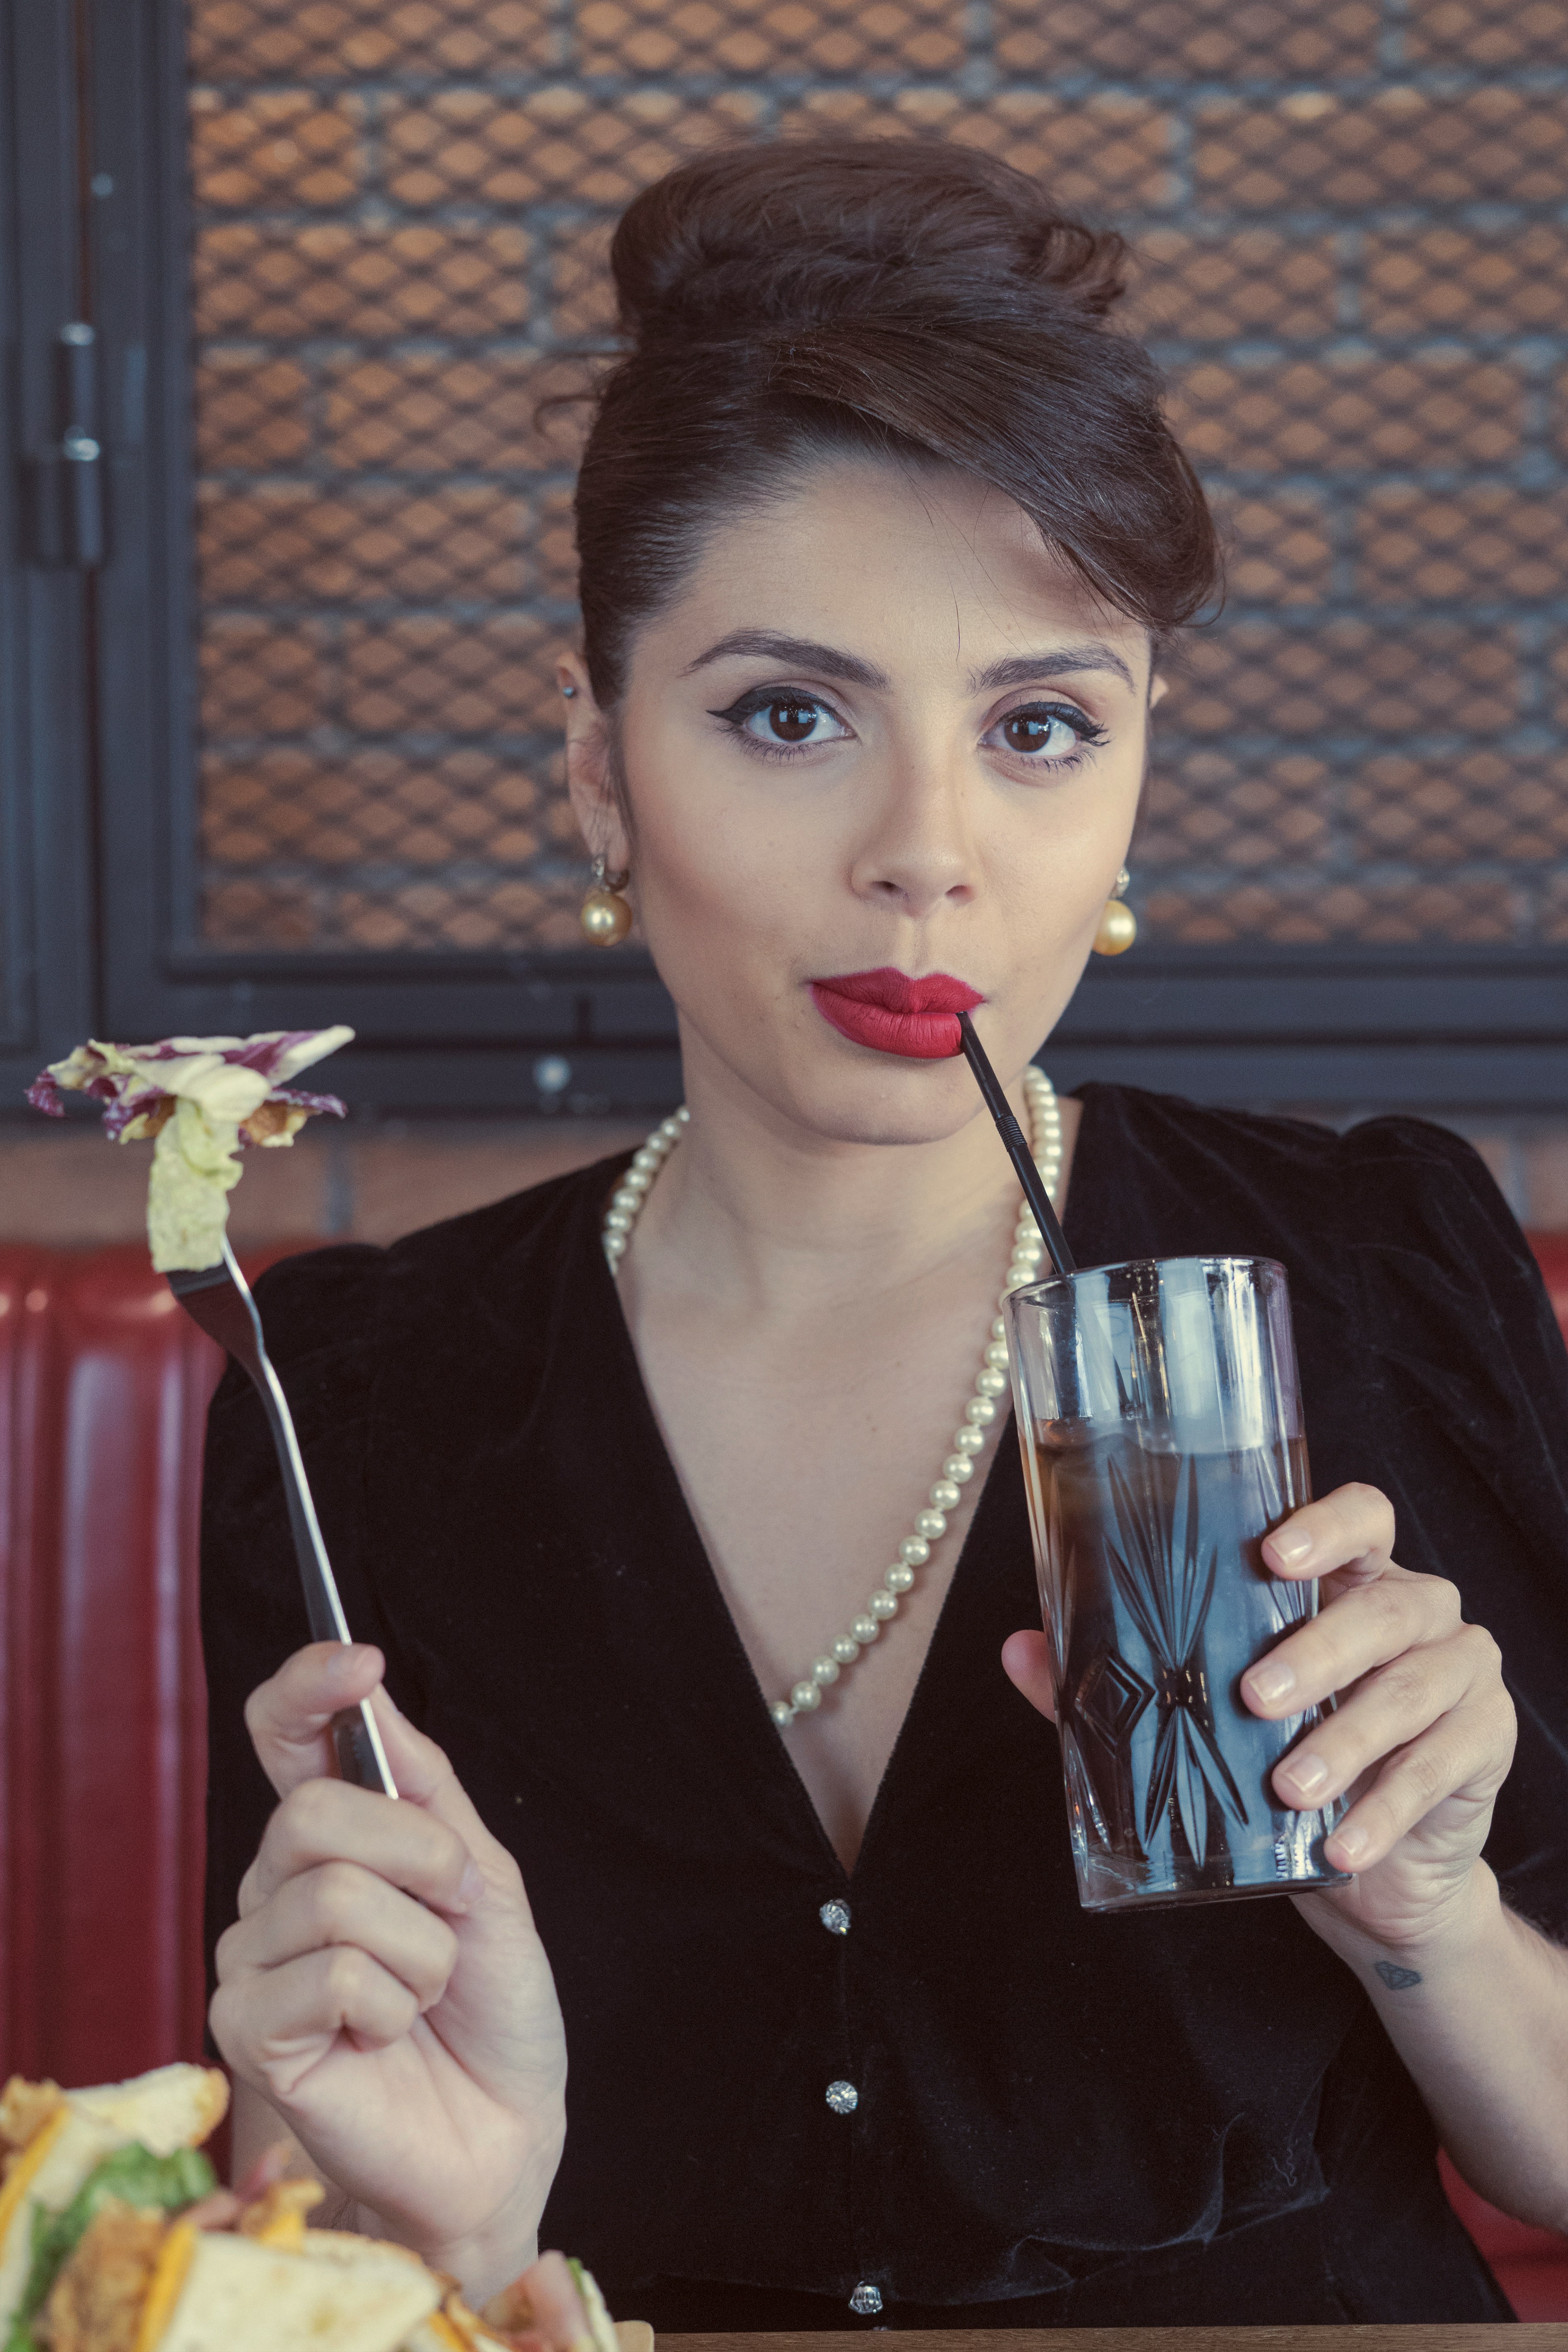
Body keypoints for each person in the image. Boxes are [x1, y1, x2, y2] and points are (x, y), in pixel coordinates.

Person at [199, 137, 1568, 2331]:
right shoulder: (352, 1389)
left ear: (1132, 775)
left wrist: (1419, 1904)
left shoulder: (1364, 1270)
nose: (926, 851)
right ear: (597, 780)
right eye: (787, 715)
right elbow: (312, 2220)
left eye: (1038, 726)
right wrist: (423, 2210)